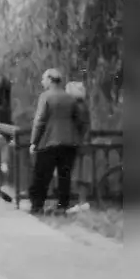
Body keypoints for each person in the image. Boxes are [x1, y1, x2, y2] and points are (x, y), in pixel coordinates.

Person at [29, 67, 91, 214]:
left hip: (49, 141)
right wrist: (78, 137)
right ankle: (62, 206)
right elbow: (80, 122)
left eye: (44, 79)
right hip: (69, 143)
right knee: (65, 176)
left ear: (50, 80)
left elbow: (40, 121)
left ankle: (37, 206)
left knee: (42, 175)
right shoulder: (70, 98)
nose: (42, 81)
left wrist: (34, 141)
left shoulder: (46, 97)